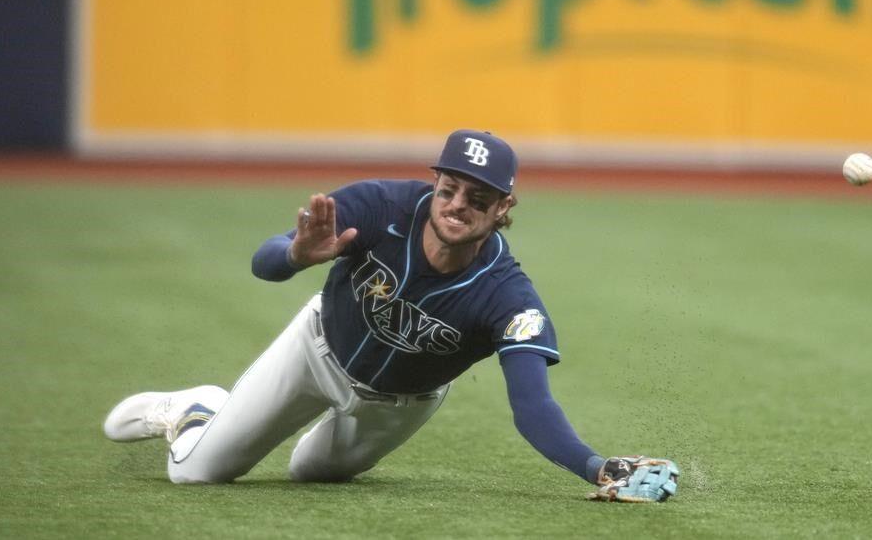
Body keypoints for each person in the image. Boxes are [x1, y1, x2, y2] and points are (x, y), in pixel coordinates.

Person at [102, 129, 678, 502]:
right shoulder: (378, 207)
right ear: (436, 182)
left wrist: (596, 468)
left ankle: (294, 435)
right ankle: (199, 408)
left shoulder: (508, 298)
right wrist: (296, 255)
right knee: (198, 473)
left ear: (503, 208)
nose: (457, 206)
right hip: (314, 349)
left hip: (398, 405)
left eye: (478, 199)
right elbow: (264, 263)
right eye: (450, 188)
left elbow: (532, 407)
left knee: (312, 475)